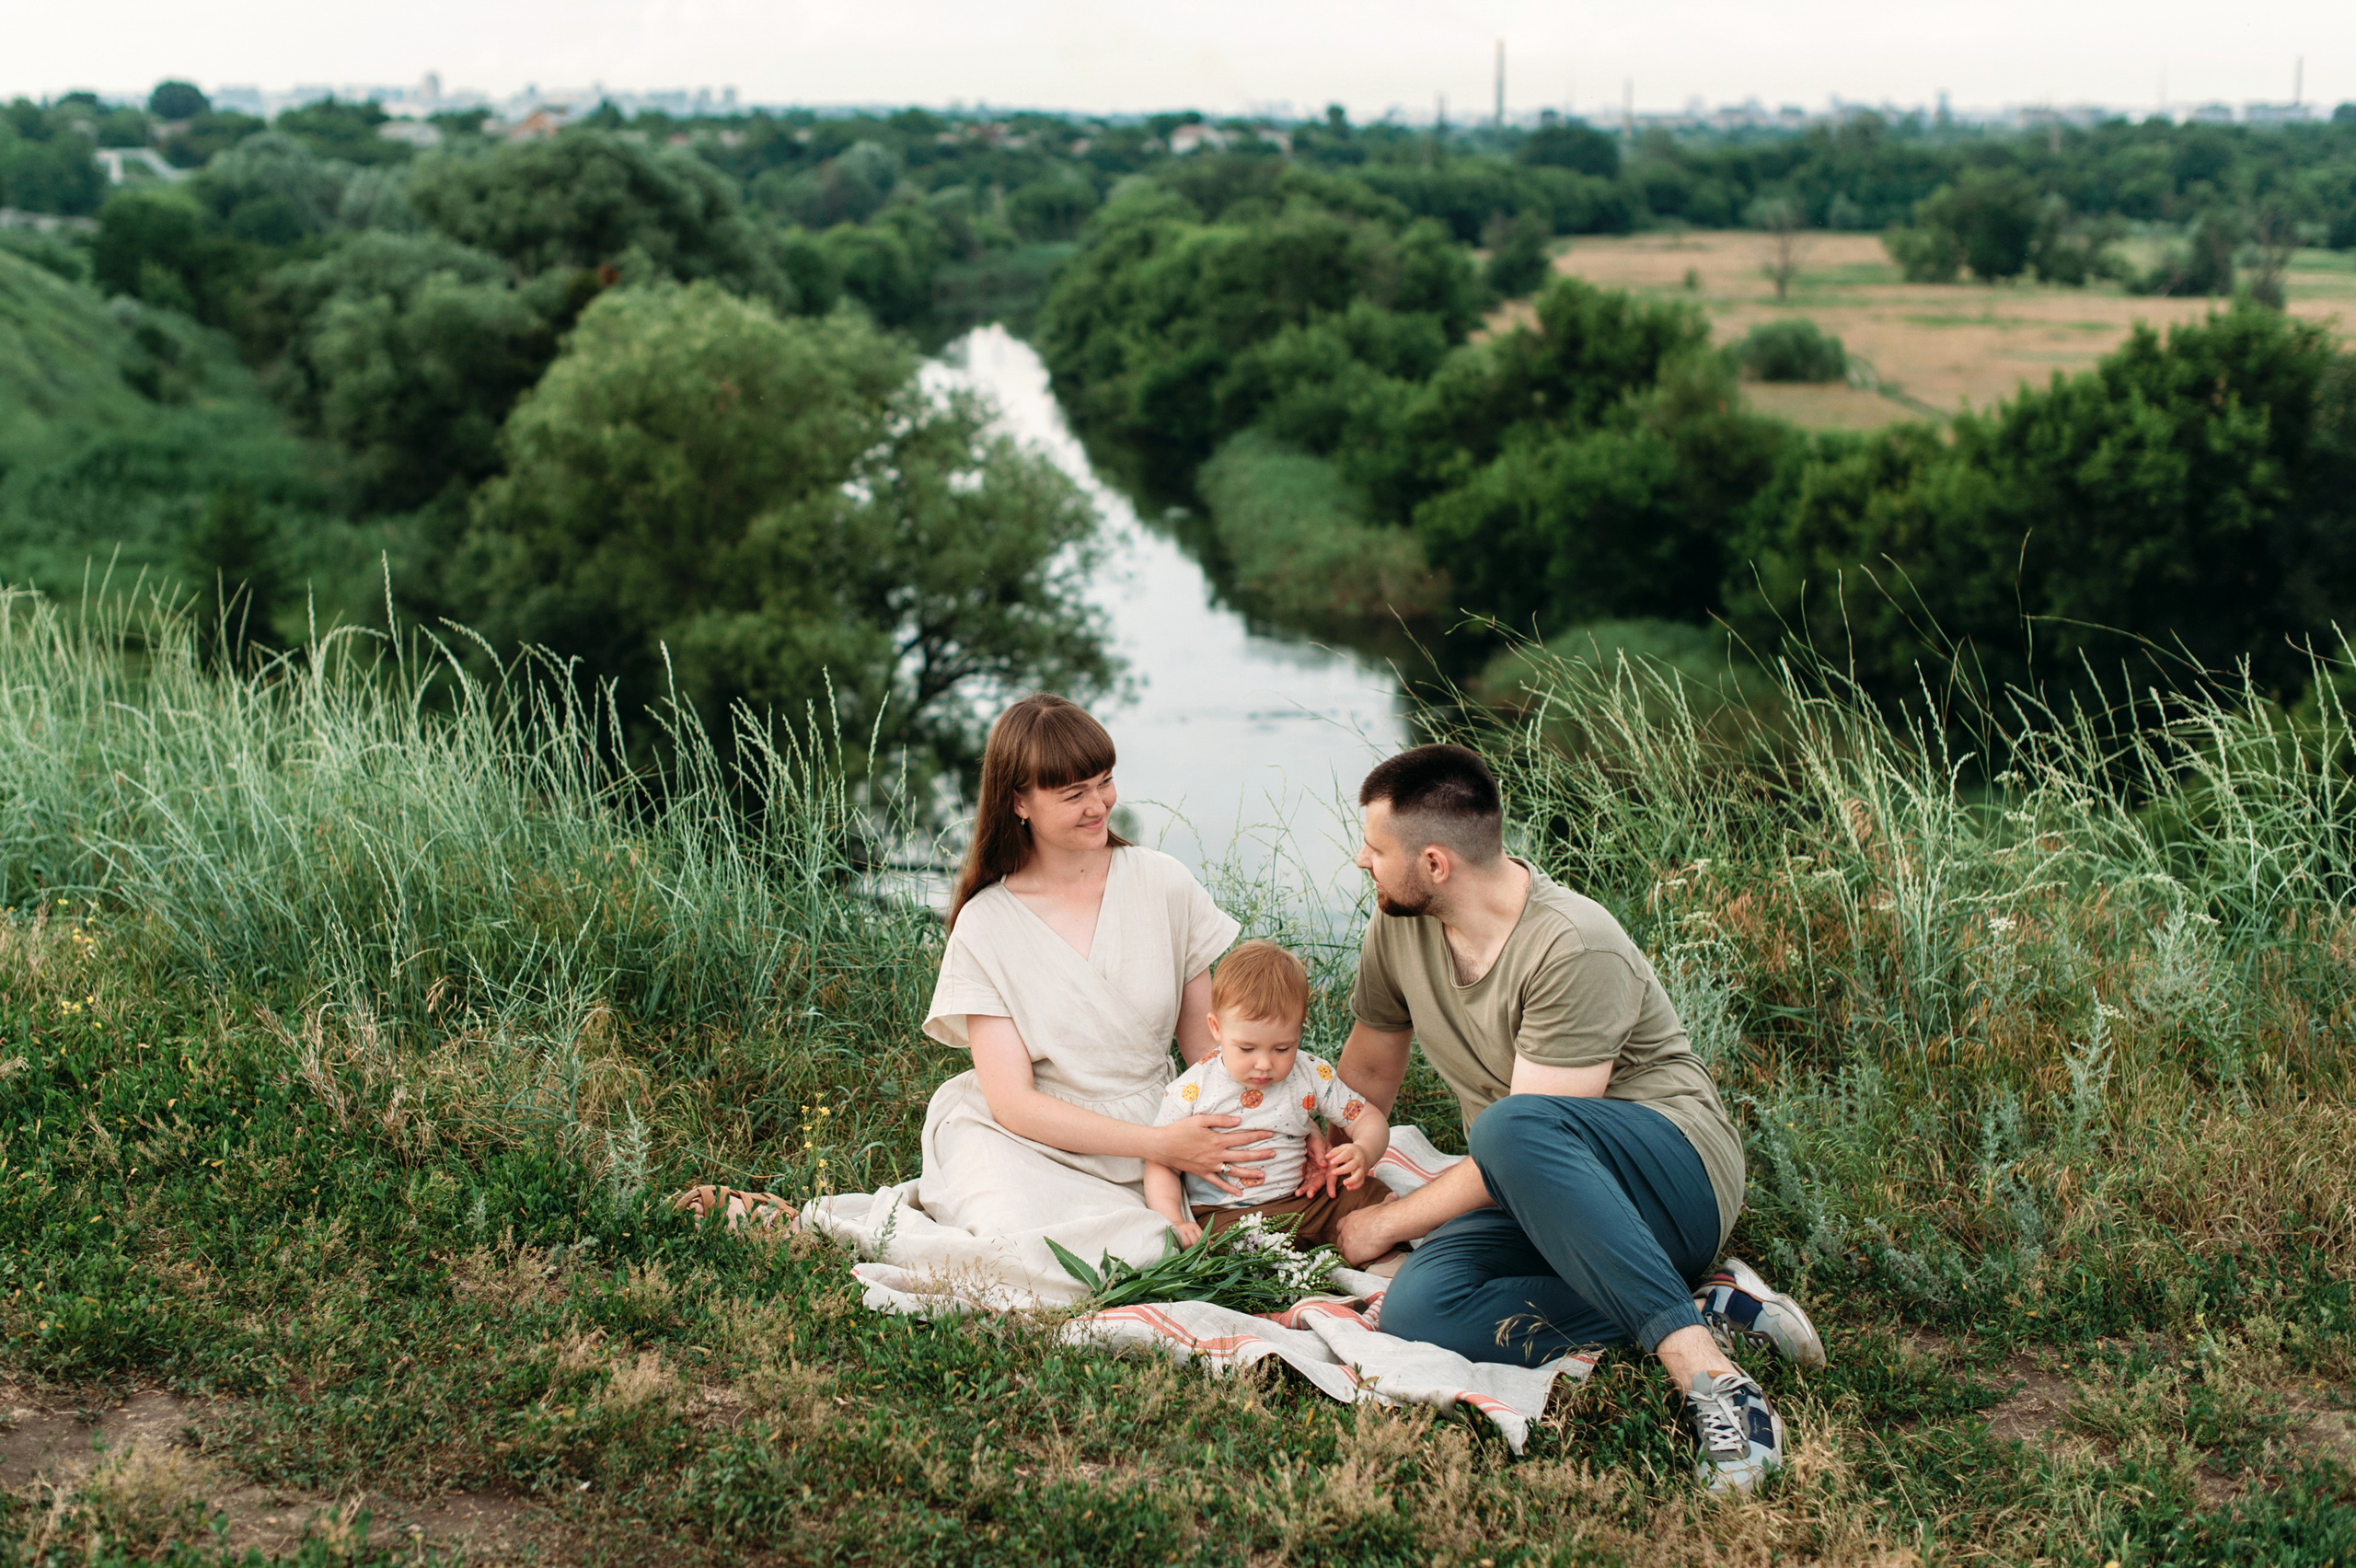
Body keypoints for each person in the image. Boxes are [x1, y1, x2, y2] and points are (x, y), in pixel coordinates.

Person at [1325, 744, 1825, 1493]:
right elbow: (1365, 1079)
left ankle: (1713, 1379)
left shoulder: (1574, 944)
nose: (1362, 860)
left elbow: (1524, 1141)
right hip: (1536, 1188)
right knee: (1420, 1309)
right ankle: (1708, 1303)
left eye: (1375, 846)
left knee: (1509, 1126)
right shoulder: (1400, 924)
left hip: (1673, 1179)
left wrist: (1384, 1224)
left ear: (1434, 863)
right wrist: (1321, 1174)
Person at [904, 694, 1278, 1291]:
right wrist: (1162, 1145)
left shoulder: (1163, 882)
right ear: (1018, 802)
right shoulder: (986, 923)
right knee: (1021, 1247)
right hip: (1024, 1139)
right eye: (1073, 793)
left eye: (1104, 782)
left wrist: (1269, 1116)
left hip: (1157, 1124)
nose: (1099, 804)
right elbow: (1014, 1105)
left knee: (1176, 1239)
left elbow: (1208, 1052)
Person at [1144, 940, 1392, 1249]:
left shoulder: (1310, 1073)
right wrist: (1175, 1220)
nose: (1264, 1064)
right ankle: (1315, 1256)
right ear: (1216, 1027)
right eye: (1247, 1048)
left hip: (1305, 1201)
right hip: (1226, 1214)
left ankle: (1371, 1252)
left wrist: (1364, 1150)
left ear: (1299, 1030)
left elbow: (1367, 1118)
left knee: (1373, 1195)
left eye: (1282, 1048)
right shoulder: (1192, 1089)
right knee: (1222, 1247)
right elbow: (1161, 1161)